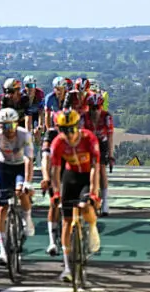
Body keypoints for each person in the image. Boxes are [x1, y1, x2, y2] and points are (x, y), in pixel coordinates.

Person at [49, 108, 101, 283]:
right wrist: (56, 193)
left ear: (78, 127)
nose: (69, 134)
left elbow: (95, 168)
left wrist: (94, 192)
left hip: (87, 176)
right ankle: (67, 268)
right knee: (66, 221)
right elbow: (55, 171)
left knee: (85, 206)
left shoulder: (89, 138)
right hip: (70, 177)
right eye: (64, 130)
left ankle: (92, 227)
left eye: (71, 129)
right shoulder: (58, 143)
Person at [0, 107, 35, 265]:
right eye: (4, 126)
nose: (9, 130)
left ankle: (27, 218)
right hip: (4, 167)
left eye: (11, 125)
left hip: (20, 167)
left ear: (16, 124)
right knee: (2, 209)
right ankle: (2, 250)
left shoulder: (24, 135)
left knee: (21, 191)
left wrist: (27, 182)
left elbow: (28, 160)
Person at [82, 93, 114, 215]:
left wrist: (110, 155)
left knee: (101, 168)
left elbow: (110, 137)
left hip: (102, 143)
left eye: (97, 108)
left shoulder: (107, 117)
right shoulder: (83, 117)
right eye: (92, 108)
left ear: (101, 107)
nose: (95, 111)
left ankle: (105, 200)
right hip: (88, 143)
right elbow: (80, 136)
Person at [41, 109, 63, 256]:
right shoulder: (50, 134)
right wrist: (46, 177)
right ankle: (52, 241)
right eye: (61, 127)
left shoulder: (77, 134)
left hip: (70, 168)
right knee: (53, 203)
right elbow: (45, 159)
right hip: (55, 169)